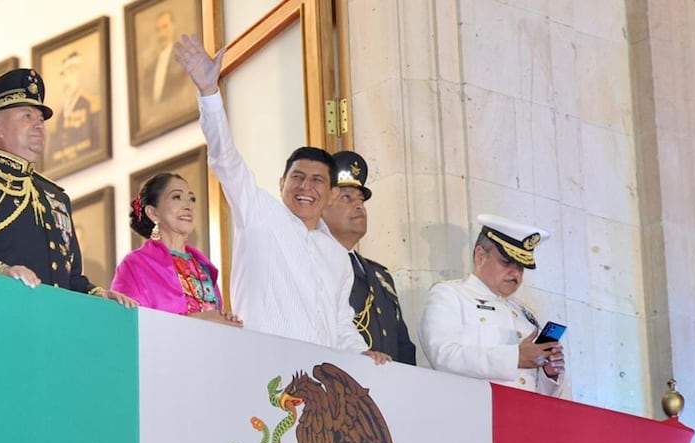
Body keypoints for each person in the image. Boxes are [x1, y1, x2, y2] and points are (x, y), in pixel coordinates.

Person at [173, 35, 389, 364]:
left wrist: (364, 356)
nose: (306, 186)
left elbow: (341, 324)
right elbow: (225, 159)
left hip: (319, 382)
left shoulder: (337, 255)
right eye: (297, 177)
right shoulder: (260, 213)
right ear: (282, 182)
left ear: (330, 194)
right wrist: (209, 93)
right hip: (262, 369)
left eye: (317, 180)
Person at [0, 68, 134, 306]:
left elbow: (70, 279)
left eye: (41, 119)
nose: (39, 125)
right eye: (27, 116)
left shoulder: (55, 195)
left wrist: (99, 295)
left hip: (49, 323)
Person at [419, 214, 567, 396]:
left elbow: (536, 390)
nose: (515, 273)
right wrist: (516, 358)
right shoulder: (450, 295)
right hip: (473, 414)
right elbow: (444, 356)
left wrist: (548, 373)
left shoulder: (524, 314)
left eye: (521, 267)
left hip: (525, 416)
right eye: (506, 262)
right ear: (480, 256)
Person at [321, 150, 417, 365]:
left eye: (361, 200)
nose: (359, 206)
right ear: (322, 207)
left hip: (387, 387)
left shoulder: (379, 274)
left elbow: (403, 345)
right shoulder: (315, 262)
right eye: (347, 198)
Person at [111, 172, 242, 327]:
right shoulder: (135, 265)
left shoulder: (203, 268)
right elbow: (125, 326)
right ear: (153, 213)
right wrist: (199, 320)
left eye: (192, 199)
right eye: (177, 197)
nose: (188, 206)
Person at [45, 51, 101, 167]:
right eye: (63, 75)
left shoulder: (92, 105)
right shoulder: (58, 116)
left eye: (71, 73)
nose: (67, 80)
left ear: (80, 76)